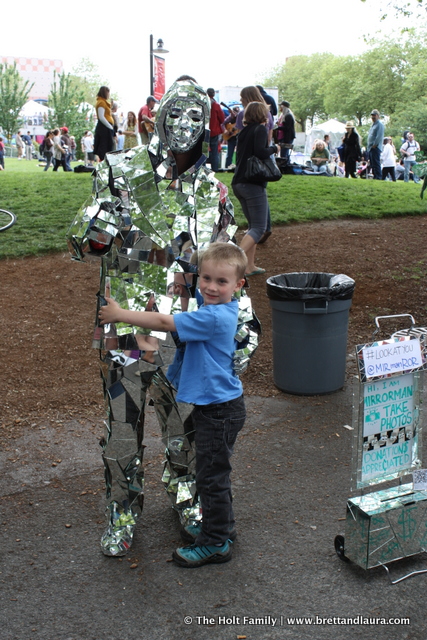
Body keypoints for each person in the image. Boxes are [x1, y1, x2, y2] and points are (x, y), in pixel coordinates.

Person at [66, 75, 259, 559]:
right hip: (127, 324)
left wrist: (244, 316)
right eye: (176, 113)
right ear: (158, 117)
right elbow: (78, 244)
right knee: (123, 425)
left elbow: (230, 261)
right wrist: (102, 221)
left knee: (187, 426)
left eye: (197, 116)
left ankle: (187, 496)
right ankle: (122, 509)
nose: (185, 124)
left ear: (208, 127)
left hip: (187, 332)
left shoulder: (211, 190)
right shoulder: (120, 169)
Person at [99, 242, 247, 567]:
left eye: (220, 282)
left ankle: (214, 540)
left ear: (237, 285)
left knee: (208, 472)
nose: (209, 286)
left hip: (216, 408)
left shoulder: (213, 316)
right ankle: (219, 529)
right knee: (210, 470)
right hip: (141, 355)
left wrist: (119, 314)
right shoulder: (215, 307)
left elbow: (168, 324)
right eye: (205, 278)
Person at [232, 101, 279, 276]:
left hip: (239, 182)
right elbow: (260, 152)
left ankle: (249, 266)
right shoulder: (260, 130)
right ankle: (232, 261)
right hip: (252, 183)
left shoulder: (243, 132)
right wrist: (274, 148)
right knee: (259, 227)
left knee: (253, 226)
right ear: (262, 114)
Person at [94, 86, 115, 161]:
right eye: (108, 92)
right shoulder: (101, 103)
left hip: (106, 127)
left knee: (108, 146)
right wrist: (110, 127)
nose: (109, 95)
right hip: (104, 128)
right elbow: (101, 117)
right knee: (104, 146)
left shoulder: (104, 102)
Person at [206, 88, 225, 172]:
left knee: (203, 150)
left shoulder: (203, 104)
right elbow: (222, 119)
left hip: (204, 131)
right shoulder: (216, 105)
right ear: (213, 94)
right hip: (214, 131)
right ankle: (215, 168)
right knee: (214, 151)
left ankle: (202, 168)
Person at [367, 109, 385, 180]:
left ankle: (378, 176)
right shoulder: (373, 125)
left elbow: (379, 136)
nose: (373, 117)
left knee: (376, 162)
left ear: (377, 116)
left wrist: (375, 144)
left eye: (374, 115)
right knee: (372, 163)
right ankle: (375, 176)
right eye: (372, 116)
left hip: (375, 147)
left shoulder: (380, 125)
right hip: (371, 147)